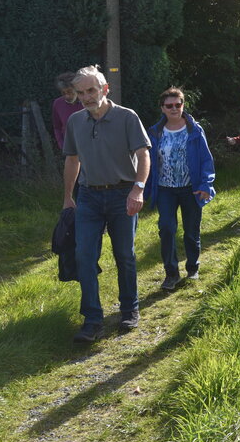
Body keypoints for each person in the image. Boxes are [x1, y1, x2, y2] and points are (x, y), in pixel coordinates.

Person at [62, 65, 150, 343]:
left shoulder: (127, 117)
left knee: (124, 255)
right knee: (83, 257)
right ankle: (92, 320)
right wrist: (67, 197)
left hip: (122, 194)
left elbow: (143, 155)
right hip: (88, 196)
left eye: (91, 90)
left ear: (104, 89)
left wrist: (138, 189)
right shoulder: (76, 121)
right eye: (81, 92)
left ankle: (129, 310)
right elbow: (72, 160)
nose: (87, 97)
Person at [145, 88, 216, 292]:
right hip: (165, 190)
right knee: (166, 229)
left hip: (191, 189)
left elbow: (206, 160)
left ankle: (193, 267)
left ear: (183, 105)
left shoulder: (194, 130)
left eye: (178, 104)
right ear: (162, 108)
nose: (174, 108)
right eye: (170, 105)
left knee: (191, 231)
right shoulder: (154, 132)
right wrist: (142, 188)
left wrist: (205, 185)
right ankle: (171, 273)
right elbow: (148, 163)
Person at [51, 71, 84, 150]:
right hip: (69, 150)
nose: (67, 96)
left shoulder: (86, 102)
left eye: (70, 92)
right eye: (63, 93)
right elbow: (57, 127)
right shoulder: (58, 103)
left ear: (76, 89)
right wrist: (62, 145)